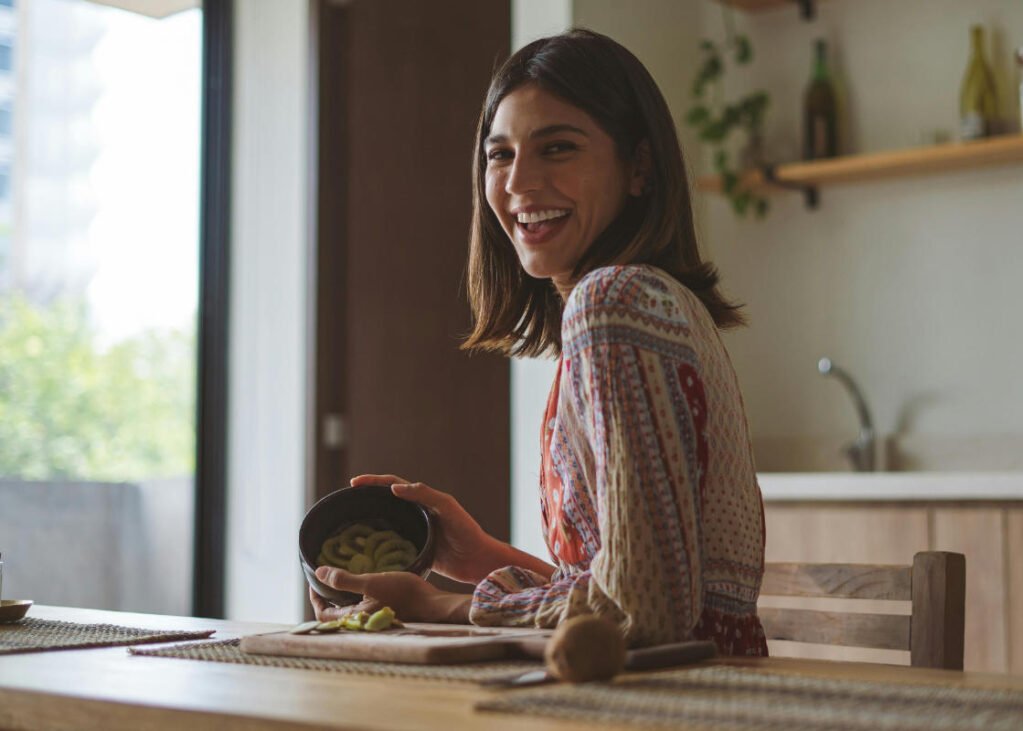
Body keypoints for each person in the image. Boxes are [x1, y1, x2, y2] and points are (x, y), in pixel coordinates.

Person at [311, 28, 768, 656]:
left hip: (677, 703)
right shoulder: (652, 302)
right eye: (500, 155)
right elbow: (628, 589)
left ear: (639, 168)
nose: (519, 183)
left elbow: (646, 612)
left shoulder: (614, 303)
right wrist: (484, 559)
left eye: (557, 148)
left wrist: (445, 605)